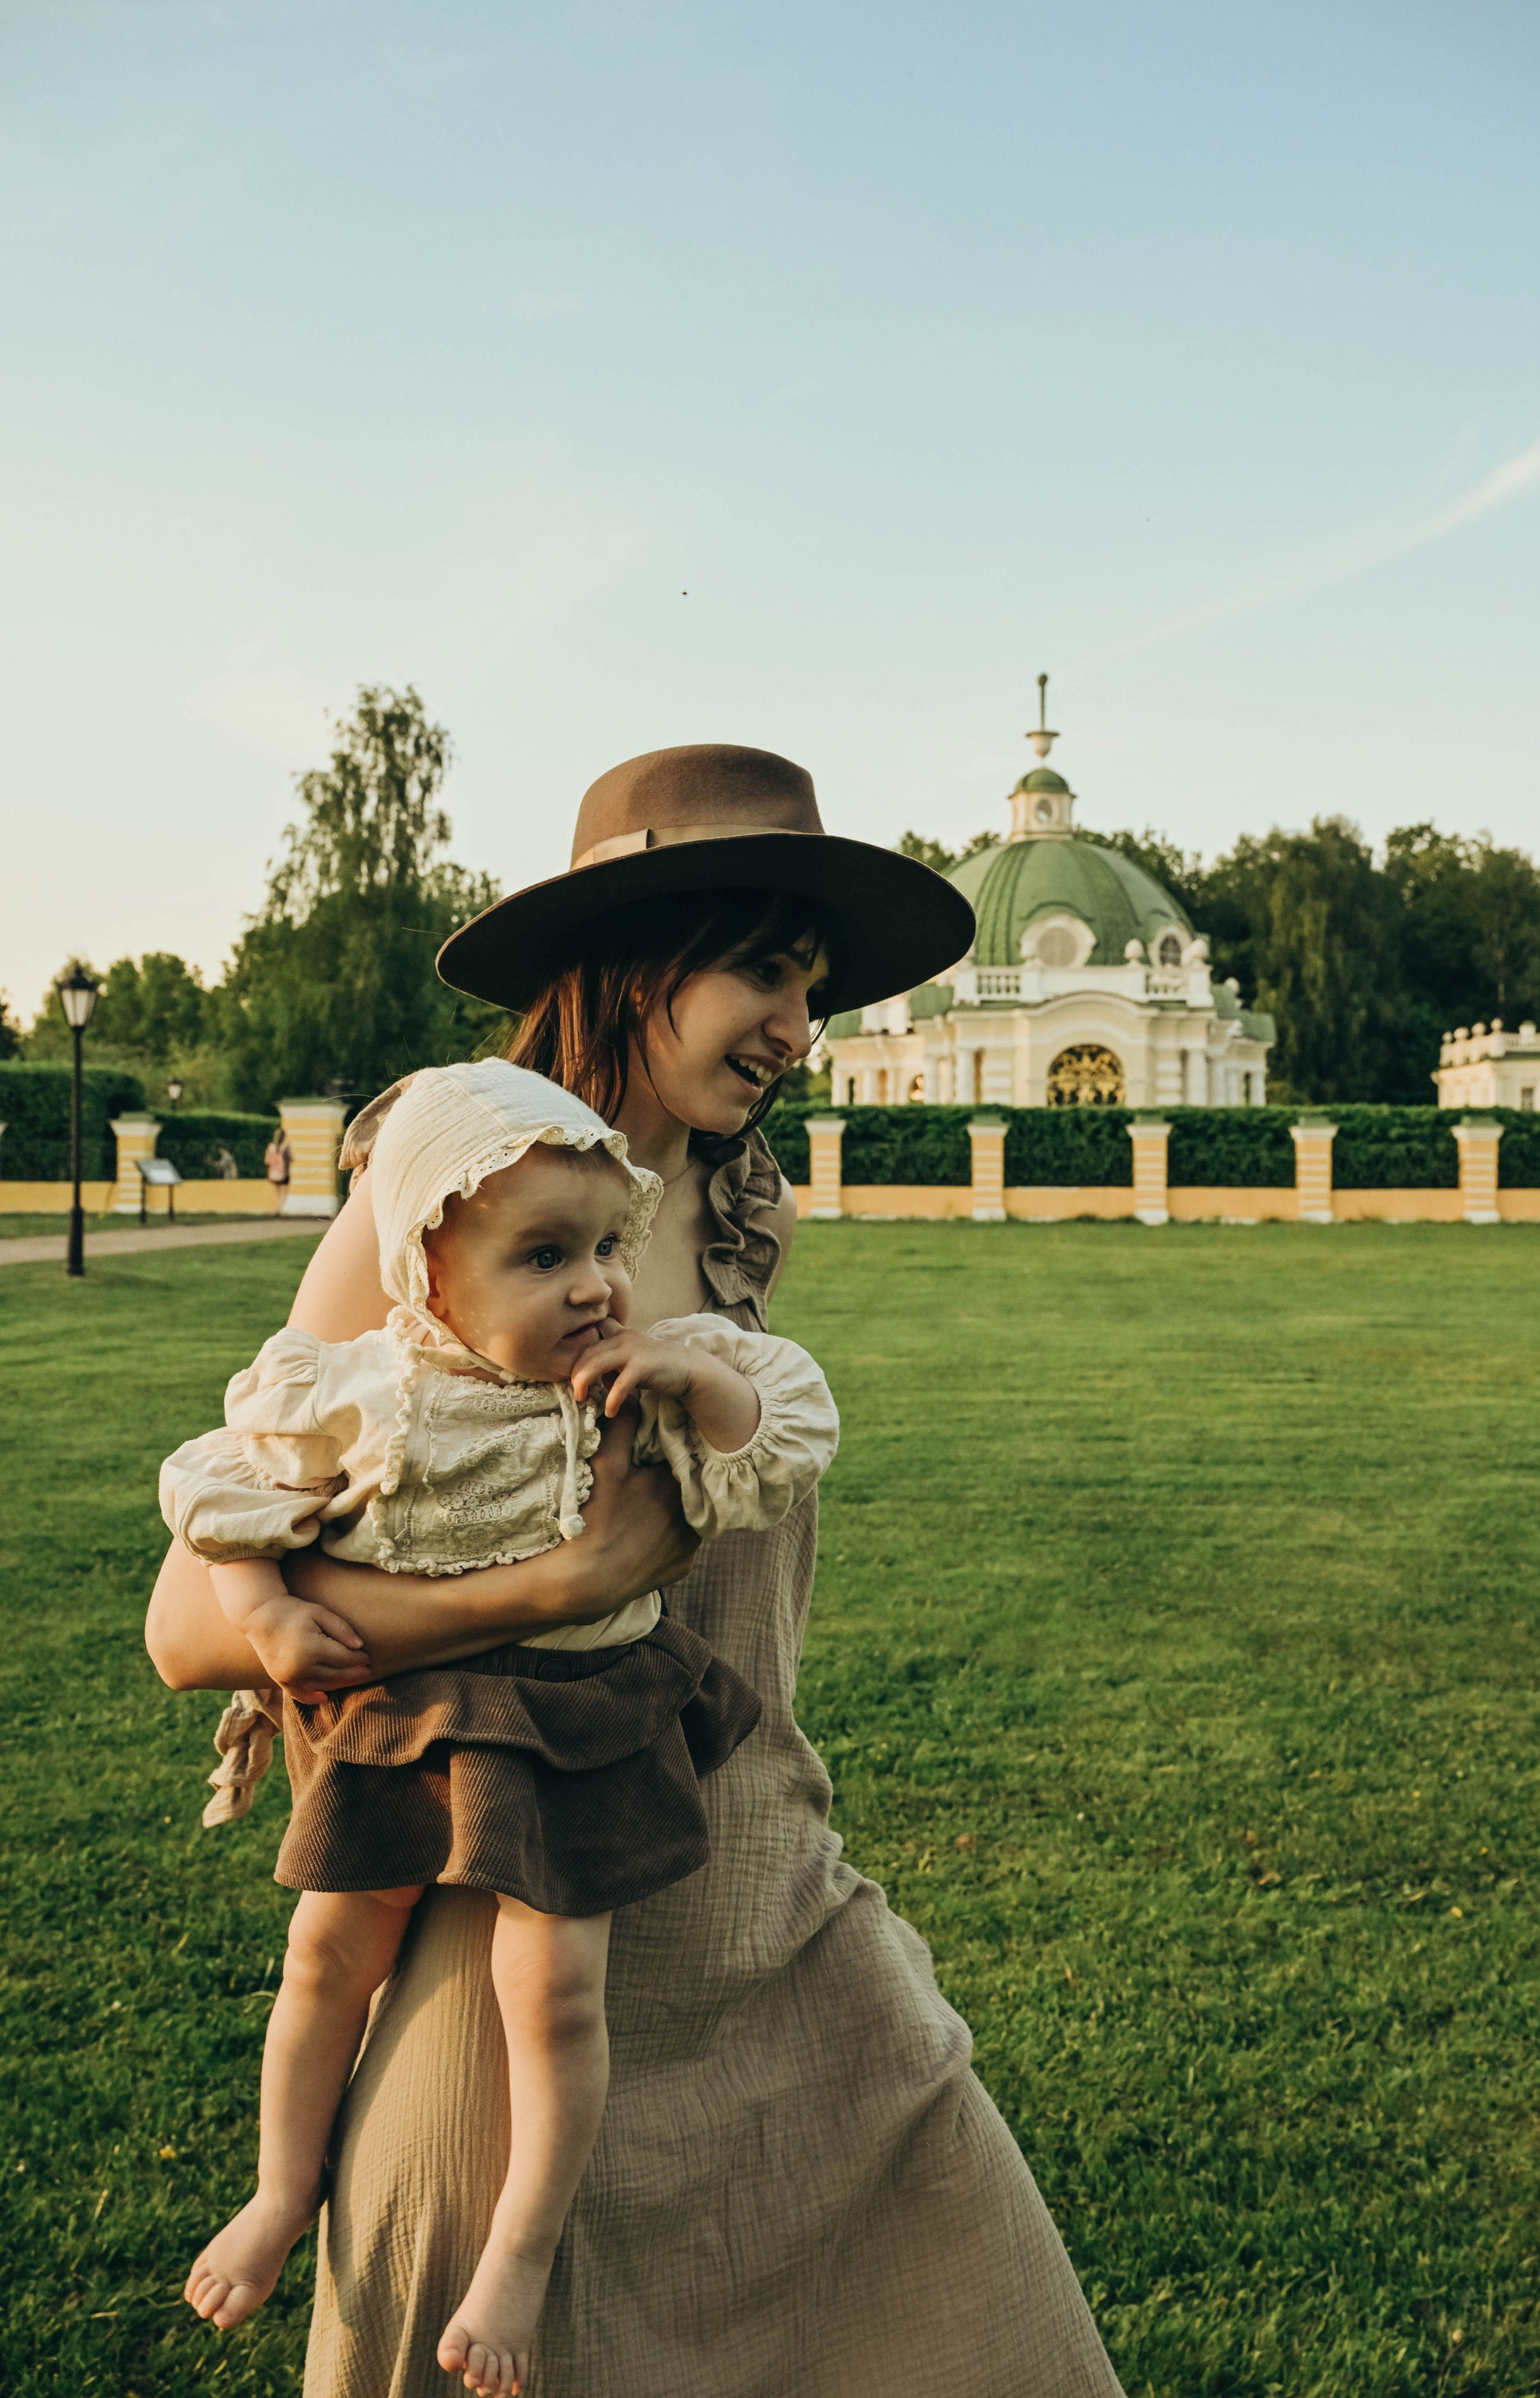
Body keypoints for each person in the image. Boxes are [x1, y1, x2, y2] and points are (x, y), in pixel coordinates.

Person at [145, 743, 1125, 2398]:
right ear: (632, 961)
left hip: (769, 1904)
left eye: (810, 989)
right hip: (515, 1923)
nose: (798, 1034)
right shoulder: (453, 1199)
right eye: (763, 971)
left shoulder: (749, 1209)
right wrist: (533, 1595)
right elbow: (192, 1622)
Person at [161, 1060, 837, 2395]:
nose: (594, 1285)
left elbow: (791, 1428)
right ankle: (281, 2190)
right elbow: (214, 1485)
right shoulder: (366, 1386)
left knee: (553, 1994)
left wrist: (695, 1384)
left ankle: (518, 2252)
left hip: (576, 1725)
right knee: (325, 1955)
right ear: (428, 1275)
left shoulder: (644, 1371)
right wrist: (267, 1610)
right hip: (408, 1719)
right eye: (544, 1256)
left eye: (603, 1248)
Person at [265, 1126, 290, 1211]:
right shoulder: (286, 1146)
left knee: (278, 1192)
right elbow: (291, 1157)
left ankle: (278, 1208)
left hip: (273, 1172)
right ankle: (280, 1208)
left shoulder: (271, 1147)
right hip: (284, 1172)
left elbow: (267, 1161)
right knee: (284, 1192)